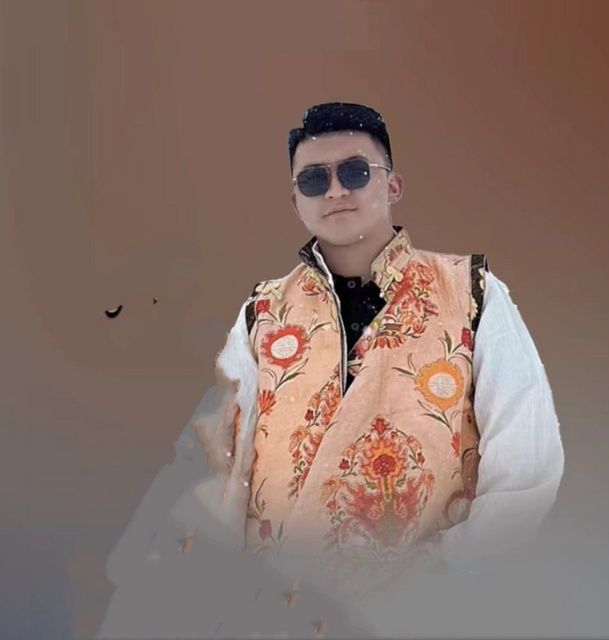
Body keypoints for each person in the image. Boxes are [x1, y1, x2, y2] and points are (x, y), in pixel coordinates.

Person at [98, 102, 565, 636]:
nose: (336, 190)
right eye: (315, 180)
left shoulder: (471, 291)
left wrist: (447, 576)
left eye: (355, 172)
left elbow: (525, 463)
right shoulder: (263, 313)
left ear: (393, 185)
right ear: (296, 200)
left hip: (426, 608)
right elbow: (215, 467)